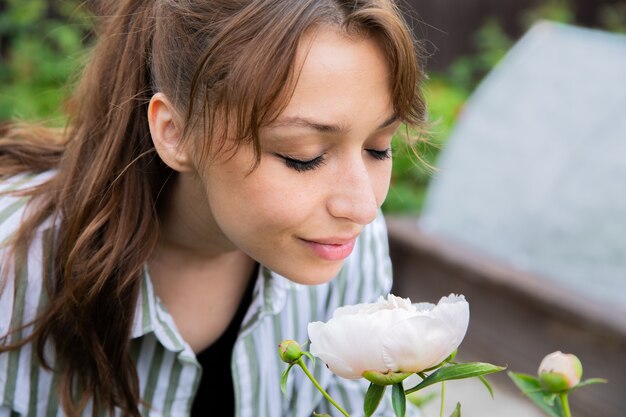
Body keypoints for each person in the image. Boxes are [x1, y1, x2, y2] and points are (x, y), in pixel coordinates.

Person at [0, 0, 427, 416]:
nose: (362, 207)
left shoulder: (351, 250)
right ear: (175, 133)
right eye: (303, 155)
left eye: (378, 148)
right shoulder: (14, 264)